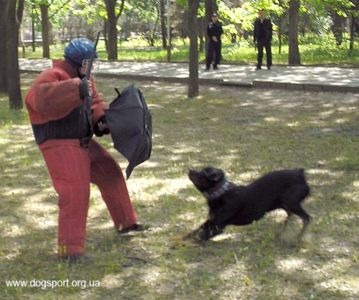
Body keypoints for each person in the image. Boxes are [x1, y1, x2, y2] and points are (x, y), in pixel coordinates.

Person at [25, 38, 146, 262]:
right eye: (89, 62)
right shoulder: (52, 76)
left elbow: (94, 102)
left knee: (110, 173)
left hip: (80, 140)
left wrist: (102, 119)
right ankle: (69, 251)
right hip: (58, 142)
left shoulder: (86, 78)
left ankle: (126, 222)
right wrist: (74, 89)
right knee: (75, 192)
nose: (91, 66)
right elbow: (38, 99)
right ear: (77, 62)